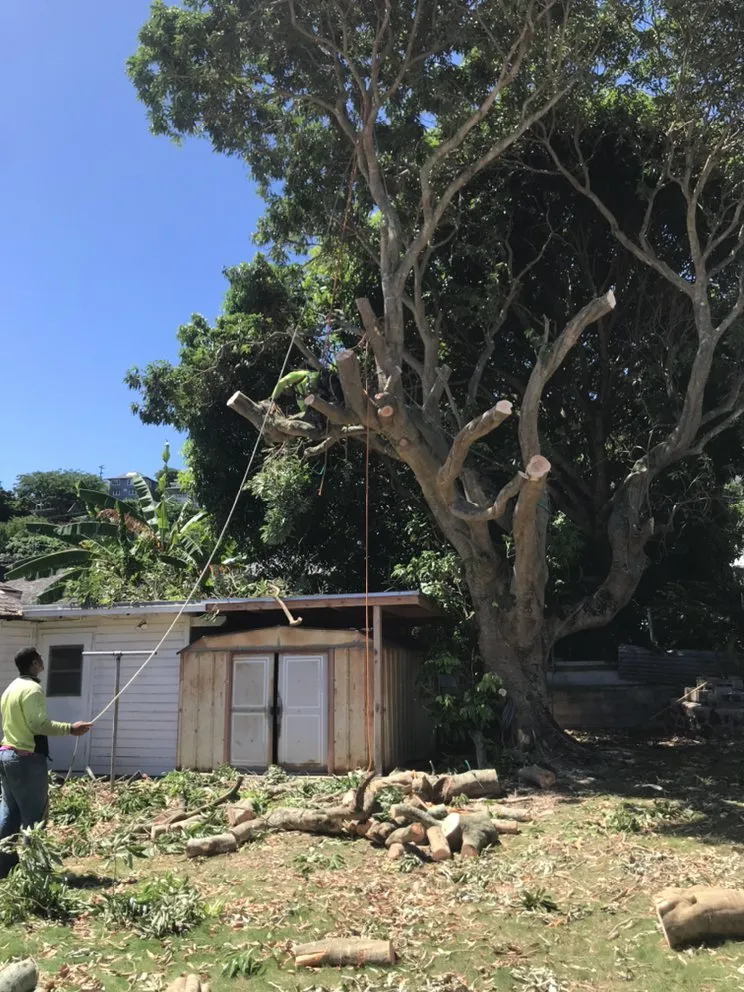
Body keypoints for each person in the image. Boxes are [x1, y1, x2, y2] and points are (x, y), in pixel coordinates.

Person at [0, 647, 92, 878]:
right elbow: (37, 724)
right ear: (33, 664)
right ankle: (36, 870)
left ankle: (4, 866)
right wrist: (70, 729)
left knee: (10, 812)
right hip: (26, 759)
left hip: (7, 754)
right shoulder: (32, 689)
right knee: (34, 816)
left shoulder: (11, 688)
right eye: (40, 659)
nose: (43, 662)